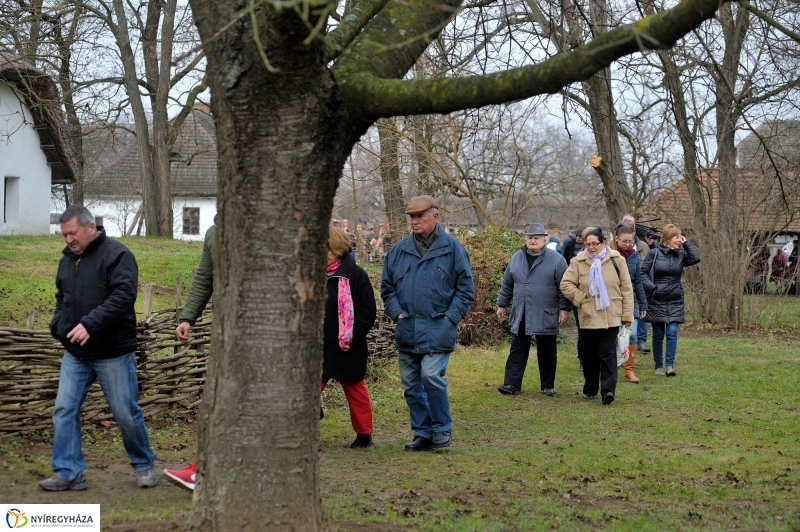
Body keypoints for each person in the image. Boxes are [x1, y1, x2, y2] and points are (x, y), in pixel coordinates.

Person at [41, 205, 157, 491]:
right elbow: (61, 297)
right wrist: (59, 326)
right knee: (64, 409)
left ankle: (143, 466)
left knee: (125, 413)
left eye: (73, 233)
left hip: (113, 352)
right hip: (76, 354)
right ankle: (69, 472)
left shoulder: (117, 255)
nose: (68, 239)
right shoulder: (67, 260)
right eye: (64, 234)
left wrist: (90, 324)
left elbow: (123, 296)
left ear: (91, 227)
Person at [381, 195, 475, 451]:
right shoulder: (398, 251)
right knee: (411, 385)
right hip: (407, 329)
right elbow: (387, 288)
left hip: (438, 328)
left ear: (435, 216)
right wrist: (397, 313)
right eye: (412, 217)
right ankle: (422, 431)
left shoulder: (453, 249)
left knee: (431, 376)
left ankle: (441, 428)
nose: (415, 221)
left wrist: (450, 318)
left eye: (420, 216)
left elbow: (465, 290)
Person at [164, 221, 217, 489]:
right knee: (218, 399)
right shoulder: (214, 232)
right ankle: (202, 470)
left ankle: (204, 471)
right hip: (225, 329)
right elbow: (204, 278)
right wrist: (188, 317)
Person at [496, 223, 571, 396]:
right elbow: (507, 284)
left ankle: (547, 385)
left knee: (547, 350)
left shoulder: (557, 259)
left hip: (546, 311)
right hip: (521, 311)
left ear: (544, 240)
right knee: (517, 348)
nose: (533, 240)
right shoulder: (516, 258)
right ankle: (511, 384)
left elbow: (564, 286)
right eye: (530, 237)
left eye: (536, 237)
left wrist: (564, 309)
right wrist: (501, 304)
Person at [560, 228, 633, 405]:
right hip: (588, 315)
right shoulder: (578, 261)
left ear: (603, 243)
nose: (591, 247)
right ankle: (590, 388)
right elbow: (565, 283)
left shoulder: (617, 260)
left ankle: (608, 390)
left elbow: (626, 288)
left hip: (611, 314)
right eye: (588, 244)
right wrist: (580, 298)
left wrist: (627, 314)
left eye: (595, 244)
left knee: (608, 354)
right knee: (590, 355)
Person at [321, 227, 377, 448]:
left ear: (337, 249)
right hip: (319, 345)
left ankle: (364, 434)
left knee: (355, 390)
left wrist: (352, 337)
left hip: (348, 346)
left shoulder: (356, 275)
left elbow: (367, 312)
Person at [641, 224, 700, 377]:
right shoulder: (653, 254)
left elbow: (695, 258)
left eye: (680, 237)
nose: (679, 240)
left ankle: (670, 365)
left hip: (675, 299)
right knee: (659, 333)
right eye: (676, 237)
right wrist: (653, 288)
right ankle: (658, 365)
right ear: (667, 239)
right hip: (657, 299)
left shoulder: (680, 255)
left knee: (672, 332)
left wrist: (686, 243)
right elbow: (642, 274)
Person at [610, 223, 648, 383]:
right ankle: (612, 368)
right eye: (625, 241)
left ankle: (629, 370)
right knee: (613, 336)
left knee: (631, 335)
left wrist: (643, 304)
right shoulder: (608, 254)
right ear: (616, 238)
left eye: (630, 241)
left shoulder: (633, 256)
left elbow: (638, 281)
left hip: (630, 301)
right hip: (611, 302)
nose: (628, 244)